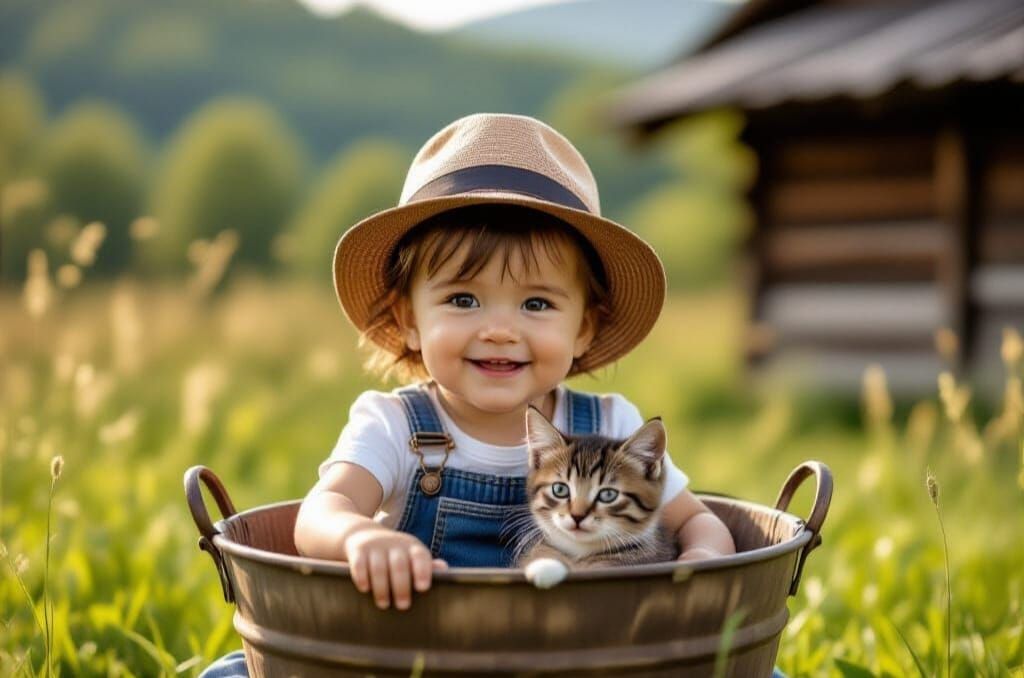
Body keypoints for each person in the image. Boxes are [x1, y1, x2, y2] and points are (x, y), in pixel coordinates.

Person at [198, 113, 737, 677]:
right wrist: (359, 537)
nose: (499, 330)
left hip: (581, 663)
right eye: (462, 300)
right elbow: (318, 515)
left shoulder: (608, 423)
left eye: (536, 304)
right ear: (409, 319)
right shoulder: (395, 425)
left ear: (583, 328)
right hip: (415, 658)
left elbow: (700, 522)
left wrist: (700, 561)